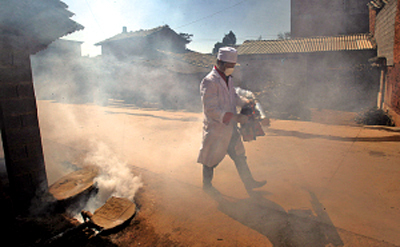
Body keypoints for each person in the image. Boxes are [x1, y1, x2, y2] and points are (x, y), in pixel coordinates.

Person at [197, 47, 266, 192]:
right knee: (210, 160)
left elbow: (234, 98)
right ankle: (207, 187)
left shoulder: (228, 80)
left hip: (230, 129)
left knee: (240, 156)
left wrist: (245, 102)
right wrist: (236, 117)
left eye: (233, 66)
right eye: (230, 66)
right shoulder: (209, 82)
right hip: (217, 129)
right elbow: (211, 109)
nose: (232, 69)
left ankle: (249, 183)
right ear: (220, 63)